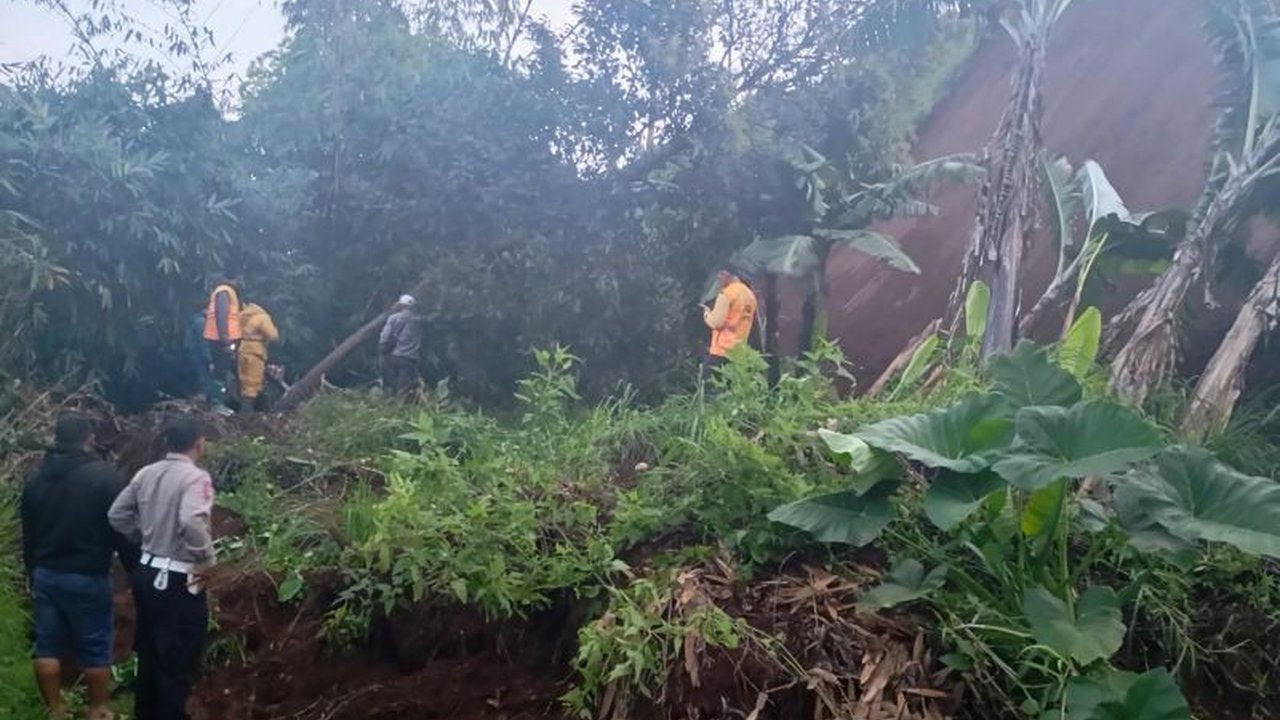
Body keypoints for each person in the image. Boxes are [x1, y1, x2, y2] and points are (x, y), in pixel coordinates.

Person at [20, 412, 138, 720]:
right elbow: (121, 528)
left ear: (56, 439)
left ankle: (54, 710)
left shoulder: (36, 481)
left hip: (46, 574)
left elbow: (28, 534)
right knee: (96, 646)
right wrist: (135, 568)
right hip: (86, 575)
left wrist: (32, 571)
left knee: (47, 645)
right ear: (88, 438)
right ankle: (98, 709)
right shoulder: (103, 477)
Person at [108, 416, 215, 720]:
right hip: (178, 576)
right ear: (199, 443)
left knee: (151, 655)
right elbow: (192, 521)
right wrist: (206, 560)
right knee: (177, 660)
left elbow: (117, 516)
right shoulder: (196, 478)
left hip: (146, 573)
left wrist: (145, 534)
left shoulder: (146, 473)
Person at [701, 267, 758, 381]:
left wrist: (707, 314)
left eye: (720, 275)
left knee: (712, 392)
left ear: (726, 273)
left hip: (721, 352)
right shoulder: (750, 295)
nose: (718, 279)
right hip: (739, 353)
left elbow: (717, 322)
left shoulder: (727, 293)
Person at [202, 277, 242, 415]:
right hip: (221, 339)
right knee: (220, 371)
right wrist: (225, 338)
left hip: (219, 338)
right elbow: (222, 315)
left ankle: (215, 400)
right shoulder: (225, 291)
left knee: (221, 370)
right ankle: (216, 404)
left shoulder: (223, 291)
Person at [236, 300, 279, 414]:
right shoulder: (262, 317)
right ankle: (247, 416)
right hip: (255, 352)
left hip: (243, 350)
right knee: (253, 385)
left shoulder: (244, 315)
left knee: (245, 384)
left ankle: (243, 413)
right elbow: (273, 336)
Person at [378, 294, 423, 398]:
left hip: (394, 356)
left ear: (400, 305)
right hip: (409, 358)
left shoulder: (393, 318)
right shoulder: (418, 320)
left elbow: (384, 337)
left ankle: (388, 405)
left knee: (391, 384)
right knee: (403, 388)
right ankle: (400, 407)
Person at [184, 301, 215, 404]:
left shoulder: (194, 319)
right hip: (200, 357)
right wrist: (209, 360)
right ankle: (203, 403)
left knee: (199, 379)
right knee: (204, 381)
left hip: (194, 355)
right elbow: (203, 343)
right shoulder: (201, 322)